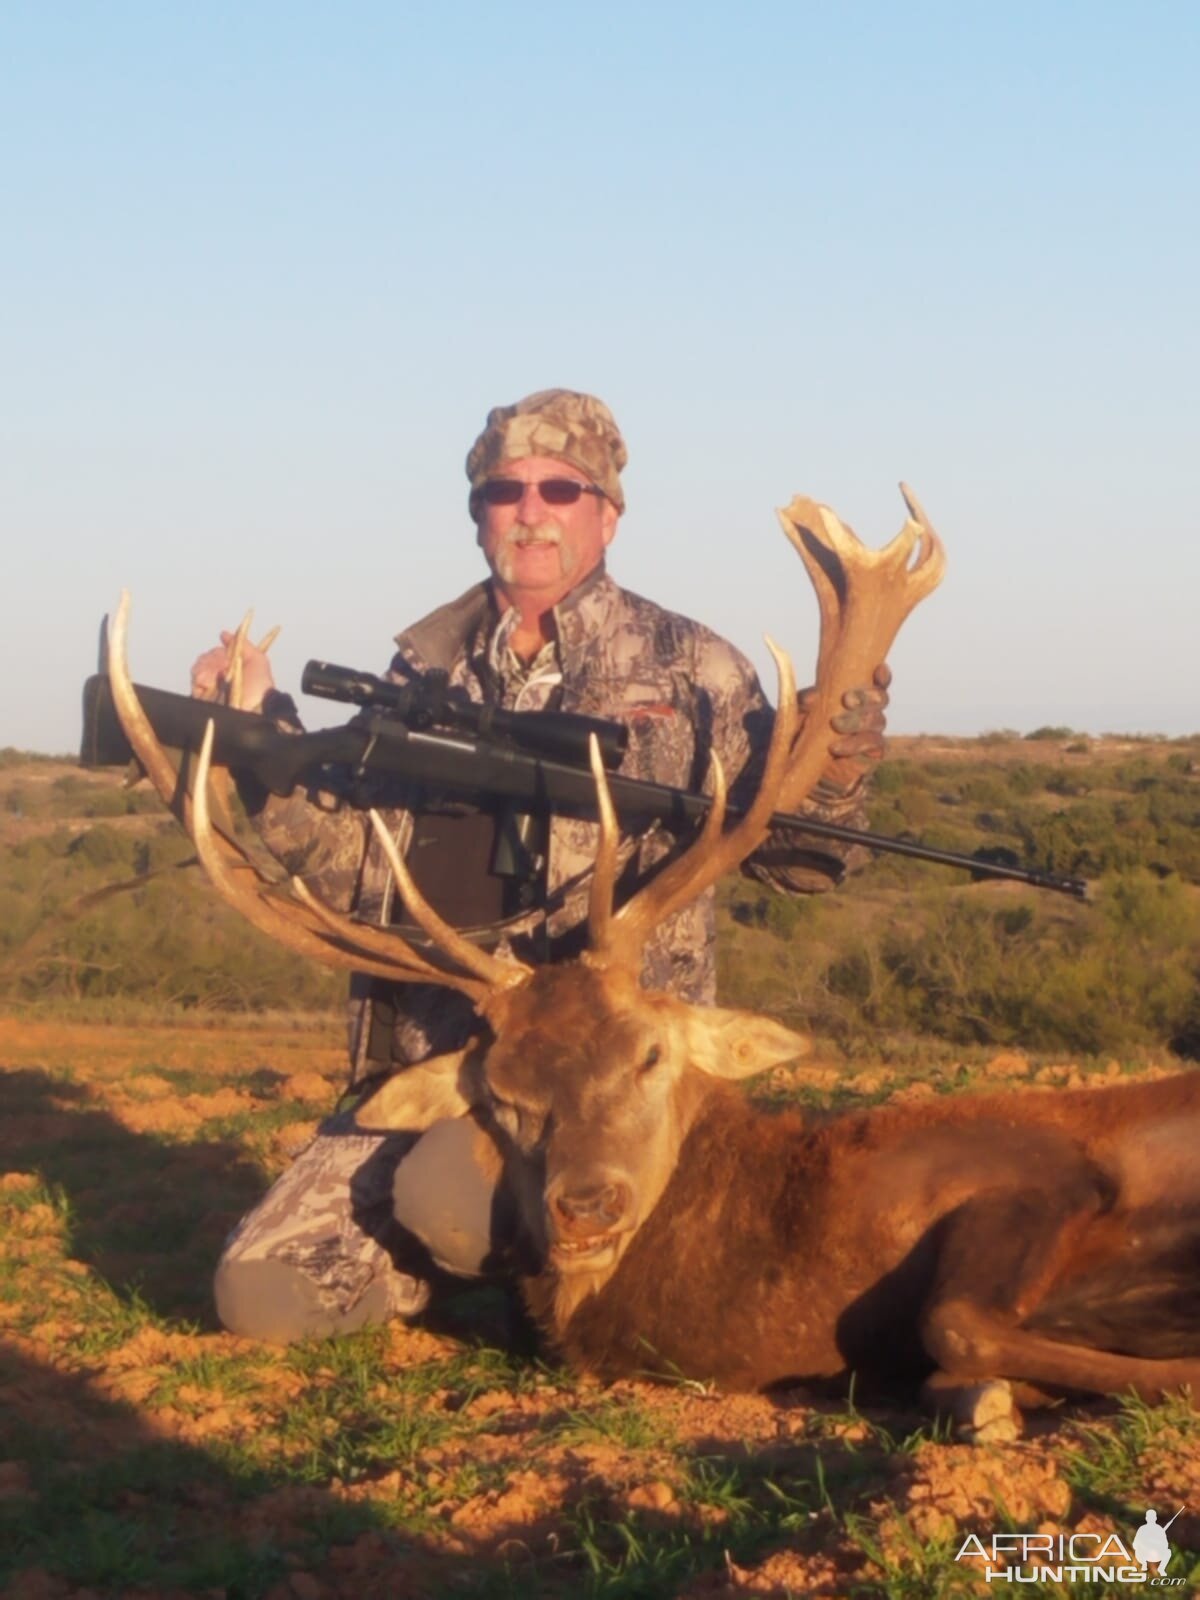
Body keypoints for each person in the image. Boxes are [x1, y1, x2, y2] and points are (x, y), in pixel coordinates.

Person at [191, 389, 890, 1342]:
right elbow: (351, 865)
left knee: (445, 1191)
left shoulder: (698, 672)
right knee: (263, 1299)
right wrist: (254, 739)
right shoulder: (420, 675)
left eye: (561, 488)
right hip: (454, 1062)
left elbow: (805, 860)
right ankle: (464, 1269)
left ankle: (524, 1255)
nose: (530, 510)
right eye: (503, 490)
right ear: (477, 512)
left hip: (618, 1086)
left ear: (607, 510)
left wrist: (835, 769)